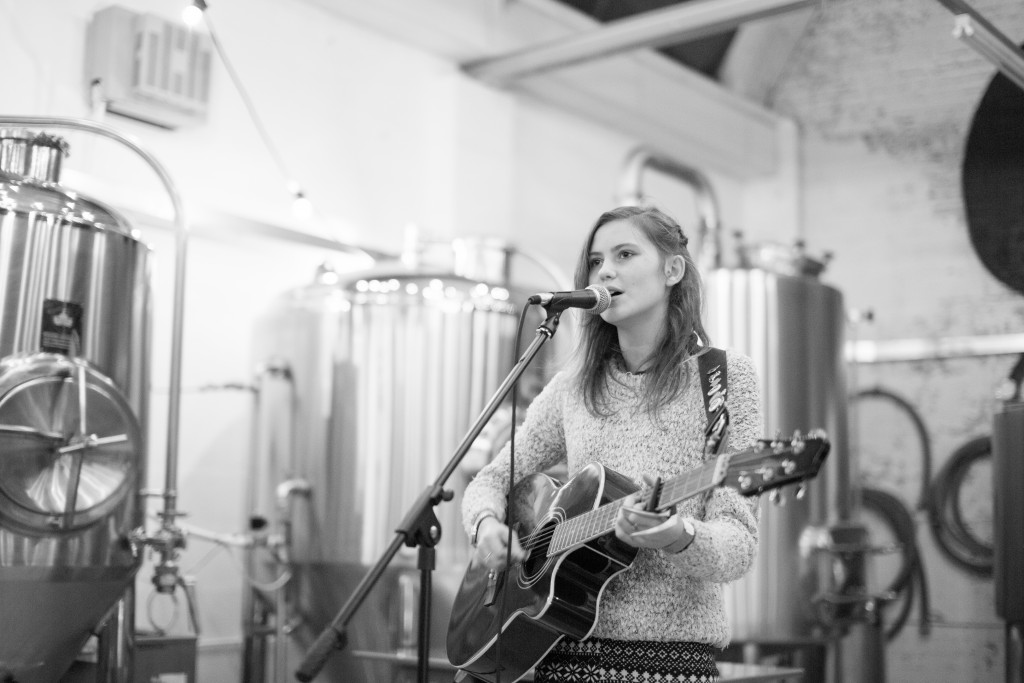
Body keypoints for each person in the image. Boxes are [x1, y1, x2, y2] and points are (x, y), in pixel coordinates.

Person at [460, 205, 764, 683]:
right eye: (597, 260)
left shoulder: (724, 379)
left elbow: (739, 544)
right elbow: (493, 479)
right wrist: (484, 526)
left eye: (625, 254)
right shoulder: (573, 386)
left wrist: (678, 536)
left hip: (670, 667)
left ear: (672, 269)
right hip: (557, 656)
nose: (606, 271)